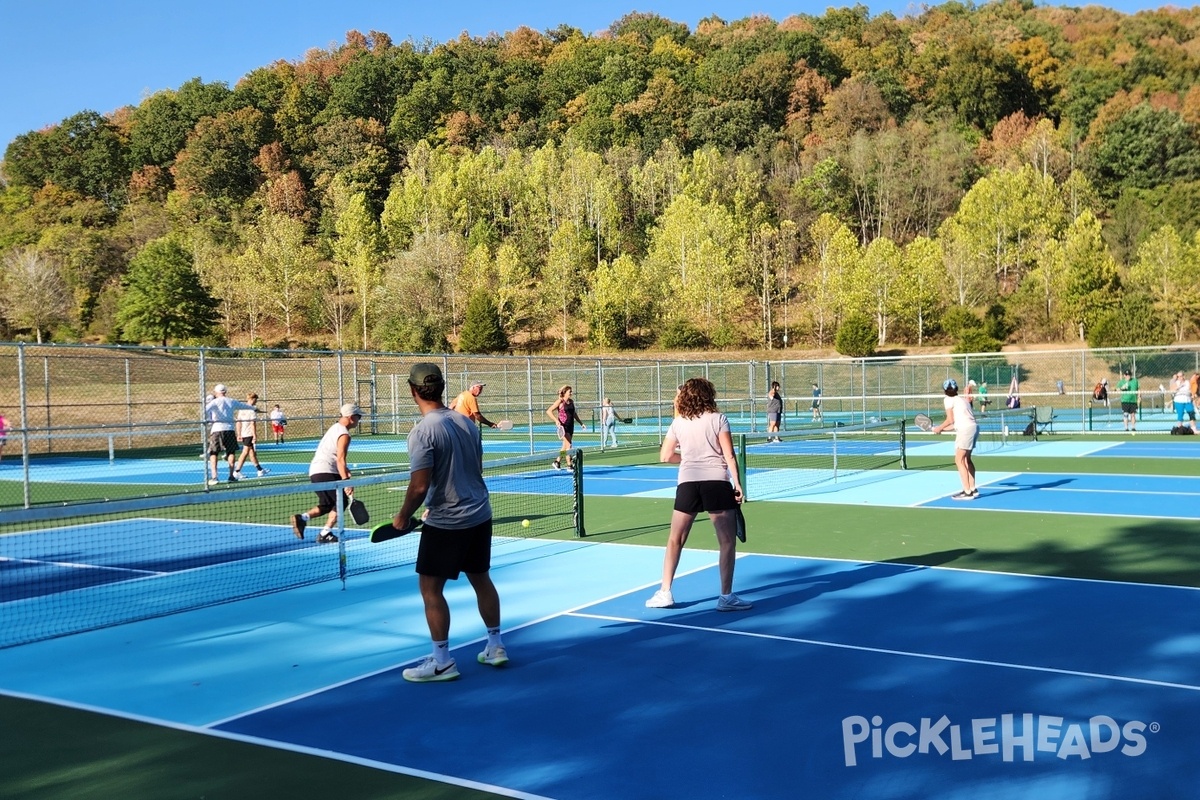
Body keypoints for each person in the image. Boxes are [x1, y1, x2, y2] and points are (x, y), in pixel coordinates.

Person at [387, 362, 507, 683]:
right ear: (441, 387)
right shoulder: (468, 423)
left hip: (448, 521)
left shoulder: (422, 431)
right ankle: (495, 645)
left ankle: (442, 660)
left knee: (430, 588)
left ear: (413, 391)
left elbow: (420, 485)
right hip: (479, 514)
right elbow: (474, 469)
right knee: (481, 579)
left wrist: (403, 515)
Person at [645, 377, 751, 612]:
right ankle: (726, 597)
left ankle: (665, 593)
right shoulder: (719, 419)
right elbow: (729, 455)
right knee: (726, 542)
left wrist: (690, 459)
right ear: (708, 395)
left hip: (688, 484)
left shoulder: (678, 423)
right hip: (717, 483)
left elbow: (666, 456)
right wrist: (738, 484)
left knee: (675, 539)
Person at [291, 403, 361, 544]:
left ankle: (303, 518)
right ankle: (325, 533)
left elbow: (334, 456)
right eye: (358, 416)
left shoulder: (334, 428)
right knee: (341, 502)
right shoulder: (344, 434)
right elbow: (340, 458)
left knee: (328, 503)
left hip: (315, 471)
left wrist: (345, 471)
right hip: (326, 470)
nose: (359, 420)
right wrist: (346, 481)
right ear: (351, 417)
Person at [932, 378, 978, 500]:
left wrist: (940, 427)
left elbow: (950, 420)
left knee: (959, 460)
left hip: (966, 430)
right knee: (967, 459)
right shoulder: (963, 400)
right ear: (956, 389)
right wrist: (940, 429)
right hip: (973, 428)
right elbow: (956, 424)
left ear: (944, 391)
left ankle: (967, 492)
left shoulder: (948, 400)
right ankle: (973, 489)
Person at [204, 385, 259, 485]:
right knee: (231, 452)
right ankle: (231, 476)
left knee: (213, 453)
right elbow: (244, 406)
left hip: (217, 430)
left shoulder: (215, 402)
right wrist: (254, 408)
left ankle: (215, 477)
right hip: (230, 430)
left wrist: (208, 419)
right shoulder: (231, 401)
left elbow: (205, 410)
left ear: (216, 392)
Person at [547, 385, 584, 470]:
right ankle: (569, 464)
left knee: (565, 447)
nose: (571, 393)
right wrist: (556, 420)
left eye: (571, 391)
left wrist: (581, 423)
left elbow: (574, 414)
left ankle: (557, 462)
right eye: (569, 391)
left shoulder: (571, 402)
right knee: (569, 445)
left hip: (571, 426)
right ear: (565, 392)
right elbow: (549, 411)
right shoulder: (560, 402)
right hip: (563, 427)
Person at [233, 393, 269, 478]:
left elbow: (238, 422)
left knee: (252, 453)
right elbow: (253, 424)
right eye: (256, 400)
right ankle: (237, 471)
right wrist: (254, 435)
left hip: (244, 433)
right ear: (252, 399)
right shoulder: (251, 410)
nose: (256, 401)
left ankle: (260, 470)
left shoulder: (242, 409)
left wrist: (239, 434)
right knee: (245, 452)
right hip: (249, 434)